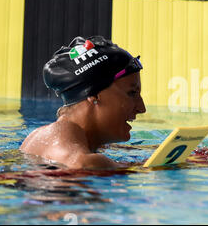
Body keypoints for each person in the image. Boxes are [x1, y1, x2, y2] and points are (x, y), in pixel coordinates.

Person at [20, 36, 146, 169]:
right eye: (132, 93)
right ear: (94, 94)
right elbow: (82, 164)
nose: (142, 108)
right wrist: (133, 169)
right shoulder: (62, 140)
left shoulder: (44, 136)